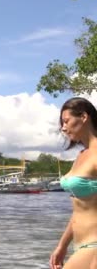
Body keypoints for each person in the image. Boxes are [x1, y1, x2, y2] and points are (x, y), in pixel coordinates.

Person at [50, 97, 97, 269]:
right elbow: (80, 209)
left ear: (84, 117)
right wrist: (62, 246)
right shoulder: (81, 156)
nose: (63, 127)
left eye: (66, 121)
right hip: (80, 247)